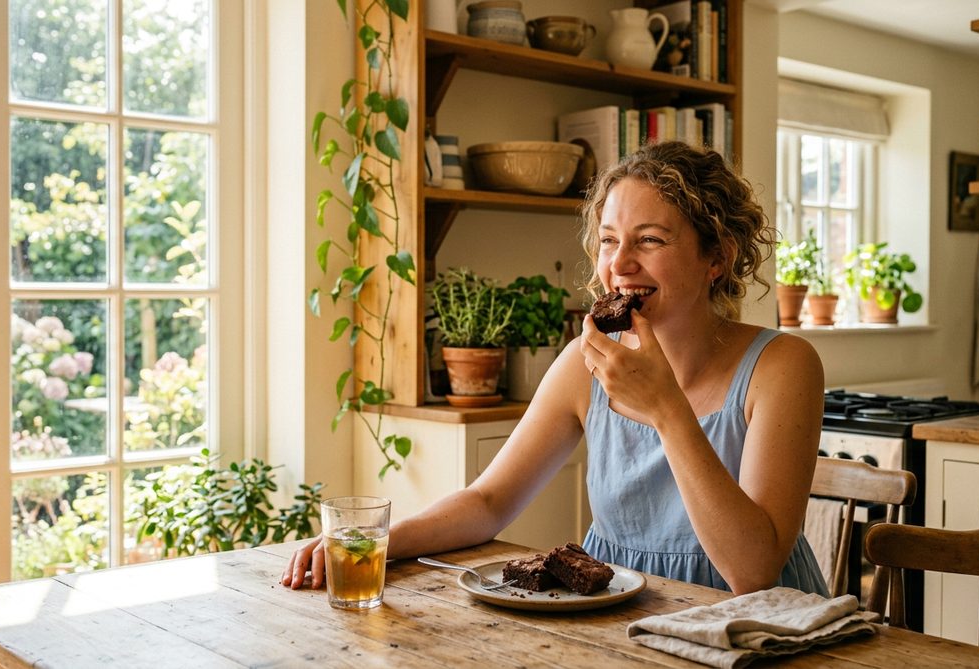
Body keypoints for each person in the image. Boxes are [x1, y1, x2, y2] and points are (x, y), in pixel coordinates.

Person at [282, 141, 829, 596]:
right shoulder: (584, 364)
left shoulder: (783, 366)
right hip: (620, 618)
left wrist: (666, 410)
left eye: (651, 240)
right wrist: (378, 540)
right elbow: (489, 501)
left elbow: (753, 572)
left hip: (761, 631)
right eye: (609, 240)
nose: (619, 264)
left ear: (719, 258)